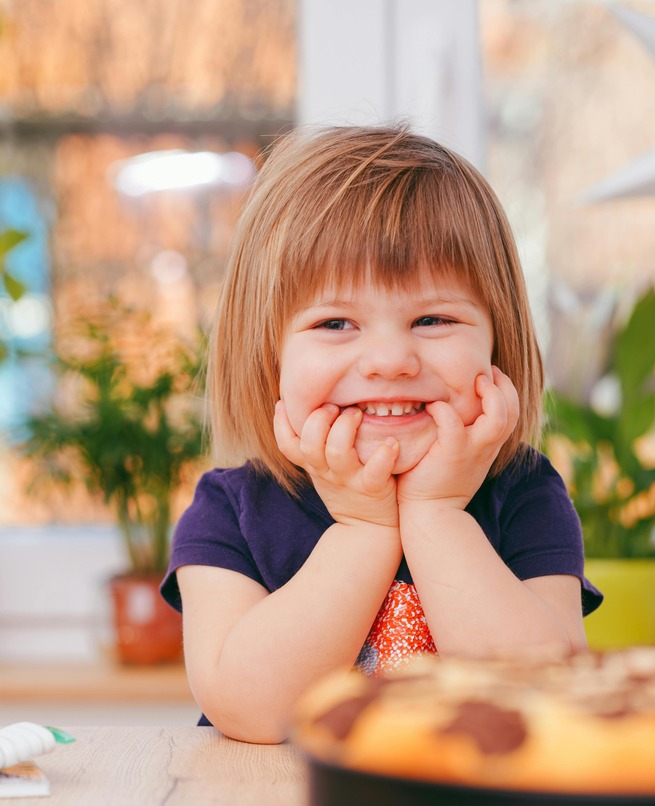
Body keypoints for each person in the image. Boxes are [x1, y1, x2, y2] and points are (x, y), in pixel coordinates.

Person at [161, 124, 602, 744]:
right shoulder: (230, 510)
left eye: (434, 318)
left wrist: (437, 515)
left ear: (498, 344)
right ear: (269, 358)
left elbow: (545, 701)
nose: (390, 359)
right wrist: (364, 528)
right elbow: (250, 711)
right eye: (336, 322)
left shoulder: (524, 493)